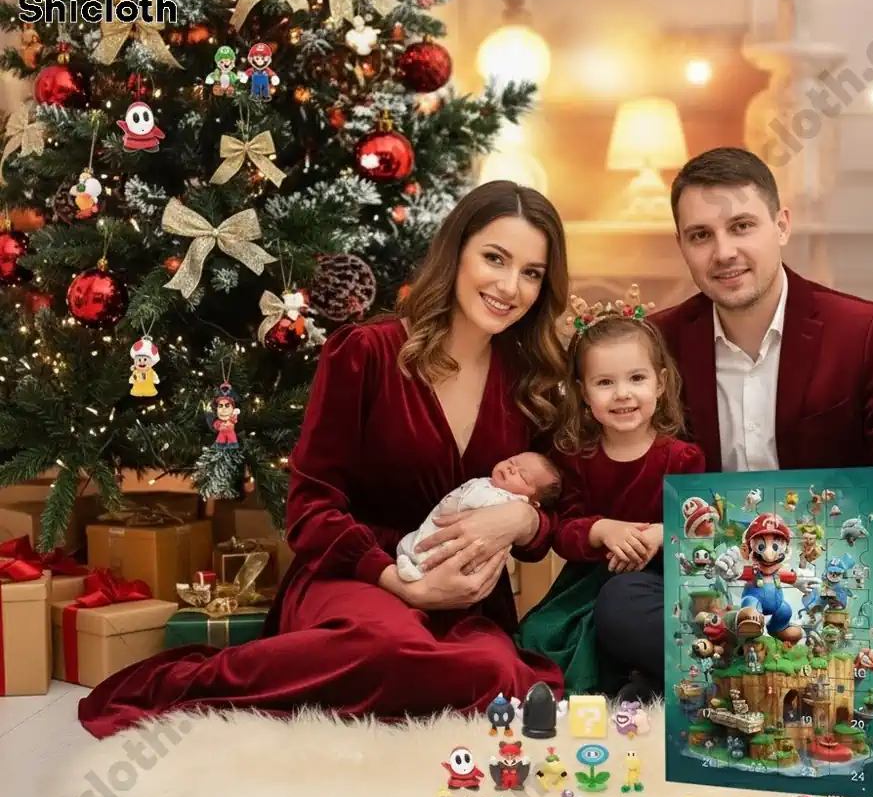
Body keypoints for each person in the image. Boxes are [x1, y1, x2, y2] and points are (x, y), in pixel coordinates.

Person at [77, 180, 571, 738]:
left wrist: (523, 517)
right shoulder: (366, 353)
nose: (510, 287)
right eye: (495, 258)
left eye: (531, 272)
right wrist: (397, 582)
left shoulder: (530, 381)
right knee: (388, 646)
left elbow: (555, 516)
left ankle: (400, 676)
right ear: (456, 251)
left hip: (464, 597)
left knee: (497, 671)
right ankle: (200, 683)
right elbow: (310, 509)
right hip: (355, 577)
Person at [593, 146, 873, 742]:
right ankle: (867, 703)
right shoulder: (656, 344)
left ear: (781, 224)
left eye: (741, 226)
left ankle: (713, 694)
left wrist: (864, 565)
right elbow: (608, 459)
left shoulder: (865, 332)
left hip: (841, 581)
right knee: (622, 604)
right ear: (682, 245)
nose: (724, 252)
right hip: (721, 589)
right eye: (700, 235)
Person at [517, 285, 705, 693]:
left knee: (630, 606)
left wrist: (658, 534)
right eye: (604, 382)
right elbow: (563, 530)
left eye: (636, 378)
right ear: (584, 393)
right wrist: (604, 530)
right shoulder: (576, 457)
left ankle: (663, 676)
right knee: (540, 634)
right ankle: (639, 682)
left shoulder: (682, 458)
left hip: (661, 582)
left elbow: (697, 529)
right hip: (590, 584)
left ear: (660, 383)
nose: (622, 394)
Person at [396, 452, 563, 582]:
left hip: (462, 548)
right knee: (411, 544)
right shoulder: (485, 481)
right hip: (435, 528)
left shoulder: (510, 502)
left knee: (442, 562)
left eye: (523, 476)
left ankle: (418, 573)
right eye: (512, 461)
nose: (512, 469)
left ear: (533, 503)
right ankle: (409, 562)